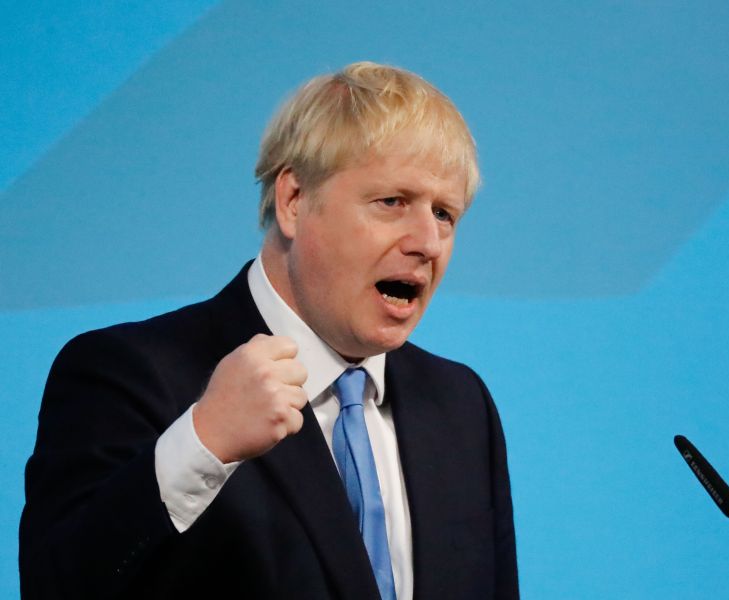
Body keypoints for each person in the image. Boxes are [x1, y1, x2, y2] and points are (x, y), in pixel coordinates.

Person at [20, 62, 518, 599]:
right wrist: (202, 444)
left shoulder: (461, 404)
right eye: (392, 202)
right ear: (294, 201)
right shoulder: (129, 373)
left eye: (445, 213)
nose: (427, 240)